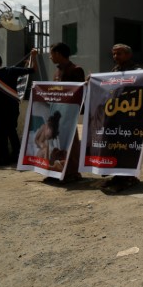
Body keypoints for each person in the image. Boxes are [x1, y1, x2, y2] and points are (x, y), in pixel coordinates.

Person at [102, 44, 143, 192]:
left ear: (128, 55)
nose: (115, 57)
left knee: (127, 148)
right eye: (114, 54)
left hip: (130, 117)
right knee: (115, 146)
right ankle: (117, 176)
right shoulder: (115, 70)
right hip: (115, 115)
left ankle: (129, 178)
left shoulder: (138, 71)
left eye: (119, 54)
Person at [0, 50, 37, 167]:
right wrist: (33, 57)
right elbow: (32, 70)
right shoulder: (11, 70)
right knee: (11, 131)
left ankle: (3, 157)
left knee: (0, 133)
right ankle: (17, 155)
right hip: (11, 106)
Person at [48, 42, 85, 182]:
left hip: (69, 115)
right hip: (57, 115)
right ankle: (57, 172)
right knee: (57, 145)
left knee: (71, 144)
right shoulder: (57, 71)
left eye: (51, 54)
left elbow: (79, 93)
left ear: (57, 54)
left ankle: (72, 173)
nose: (50, 57)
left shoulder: (75, 69)